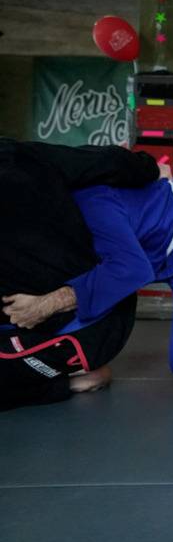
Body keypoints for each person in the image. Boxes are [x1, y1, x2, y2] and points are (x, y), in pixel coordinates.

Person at [3, 169, 173, 385]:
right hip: (161, 258)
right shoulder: (46, 221)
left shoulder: (91, 201)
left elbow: (130, 270)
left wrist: (44, 305)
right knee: (82, 293)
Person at [1, 138, 158, 410]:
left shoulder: (17, 157)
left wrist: (45, 305)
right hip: (34, 321)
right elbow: (114, 160)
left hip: (88, 326)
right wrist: (148, 167)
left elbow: (112, 162)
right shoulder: (17, 153)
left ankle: (70, 382)